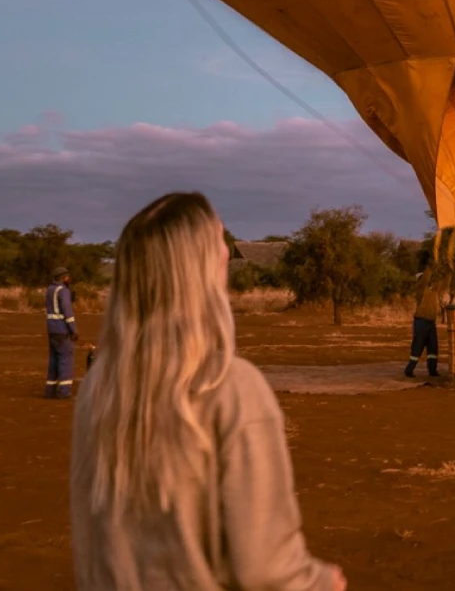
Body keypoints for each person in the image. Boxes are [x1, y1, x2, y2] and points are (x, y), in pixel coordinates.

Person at [70, 192, 344, 591]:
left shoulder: (100, 387)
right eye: (219, 239)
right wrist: (320, 582)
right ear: (201, 268)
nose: (226, 250)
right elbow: (265, 568)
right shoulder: (231, 388)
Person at [45, 266, 79, 399]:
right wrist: (74, 330)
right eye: (67, 276)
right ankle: (64, 392)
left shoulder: (49, 289)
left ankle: (50, 391)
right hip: (62, 329)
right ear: (63, 278)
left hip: (51, 329)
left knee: (54, 359)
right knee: (66, 359)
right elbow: (67, 311)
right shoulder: (63, 291)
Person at [404, 270, 444, 378]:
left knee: (433, 348)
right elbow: (426, 278)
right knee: (417, 346)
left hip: (431, 322)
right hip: (421, 321)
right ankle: (409, 370)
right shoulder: (420, 290)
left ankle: (432, 370)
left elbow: (442, 281)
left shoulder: (432, 291)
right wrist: (430, 266)